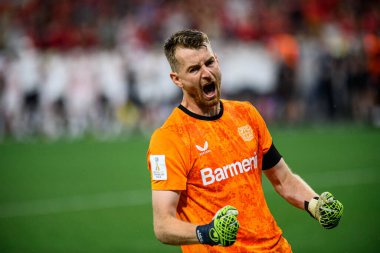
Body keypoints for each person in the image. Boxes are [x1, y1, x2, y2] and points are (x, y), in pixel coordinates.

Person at [147, 29, 343, 253]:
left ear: (217, 61)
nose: (206, 74)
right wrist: (208, 232)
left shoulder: (246, 114)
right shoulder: (169, 138)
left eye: (209, 63)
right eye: (194, 69)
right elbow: (163, 225)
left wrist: (316, 204)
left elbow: (284, 180)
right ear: (176, 79)